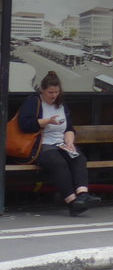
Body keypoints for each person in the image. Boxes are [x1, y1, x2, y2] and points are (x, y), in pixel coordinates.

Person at [15, 71, 99, 216]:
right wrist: (47, 121)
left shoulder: (62, 105)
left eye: (56, 92)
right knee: (58, 162)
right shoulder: (34, 102)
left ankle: (82, 194)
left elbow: (69, 128)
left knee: (78, 158)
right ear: (42, 90)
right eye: (50, 92)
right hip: (42, 145)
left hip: (61, 143)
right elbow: (25, 125)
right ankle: (72, 202)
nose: (53, 96)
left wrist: (70, 142)